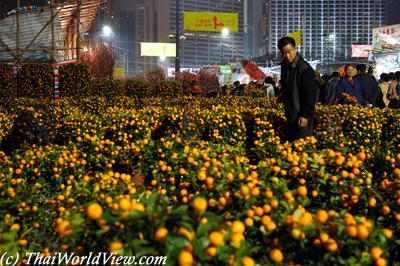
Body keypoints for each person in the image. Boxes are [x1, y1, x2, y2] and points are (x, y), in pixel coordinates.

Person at [278, 36, 318, 142]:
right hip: (291, 114)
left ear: (295, 49)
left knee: (301, 147)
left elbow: (310, 94)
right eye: (284, 53)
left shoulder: (304, 69)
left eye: (289, 51)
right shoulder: (285, 67)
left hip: (301, 117)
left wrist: (305, 115)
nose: (287, 55)